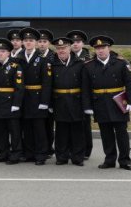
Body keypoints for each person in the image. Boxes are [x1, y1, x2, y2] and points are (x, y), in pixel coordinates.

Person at [82, 35, 131, 171]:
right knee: (106, 133)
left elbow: (130, 84)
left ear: (109, 48)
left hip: (118, 101)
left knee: (122, 133)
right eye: (97, 48)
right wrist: (87, 106)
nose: (100, 50)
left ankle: (125, 160)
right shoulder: (89, 66)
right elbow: (86, 88)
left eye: (103, 47)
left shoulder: (120, 63)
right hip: (100, 102)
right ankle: (109, 159)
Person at [0, 38, 24, 164]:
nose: (0, 54)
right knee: (0, 130)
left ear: (8, 53)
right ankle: (3, 153)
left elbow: (19, 87)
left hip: (10, 101)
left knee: (14, 131)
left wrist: (16, 104)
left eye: (3, 51)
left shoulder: (15, 66)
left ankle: (16, 154)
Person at [18, 27, 52, 165]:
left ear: (36, 43)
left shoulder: (43, 59)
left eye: (31, 40)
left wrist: (45, 101)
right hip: (23, 97)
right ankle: (29, 153)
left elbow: (47, 82)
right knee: (26, 127)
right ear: (22, 42)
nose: (28, 42)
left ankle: (41, 154)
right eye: (26, 40)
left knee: (39, 128)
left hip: (38, 97)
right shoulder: (18, 58)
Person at [51, 36, 86, 166]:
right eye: (58, 48)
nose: (61, 50)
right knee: (61, 131)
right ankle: (61, 157)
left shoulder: (79, 63)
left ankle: (78, 157)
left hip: (76, 100)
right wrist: (49, 104)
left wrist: (86, 103)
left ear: (70, 48)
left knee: (77, 131)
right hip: (59, 101)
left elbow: (85, 85)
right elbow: (48, 86)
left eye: (64, 48)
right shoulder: (52, 63)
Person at [67, 29, 93, 158]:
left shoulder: (88, 59)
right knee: (70, 124)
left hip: (83, 95)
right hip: (69, 95)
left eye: (78, 41)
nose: (75, 44)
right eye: (73, 42)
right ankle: (72, 149)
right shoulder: (67, 57)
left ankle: (86, 150)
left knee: (84, 124)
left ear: (82, 43)